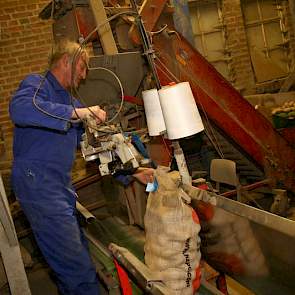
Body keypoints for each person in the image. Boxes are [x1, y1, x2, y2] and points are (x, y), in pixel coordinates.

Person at [9, 40, 153, 295]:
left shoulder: (70, 101)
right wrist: (81, 112)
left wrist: (132, 172)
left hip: (59, 187)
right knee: (77, 270)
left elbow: (93, 149)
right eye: (83, 67)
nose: (84, 76)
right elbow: (20, 109)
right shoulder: (36, 85)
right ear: (67, 61)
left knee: (77, 259)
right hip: (39, 185)